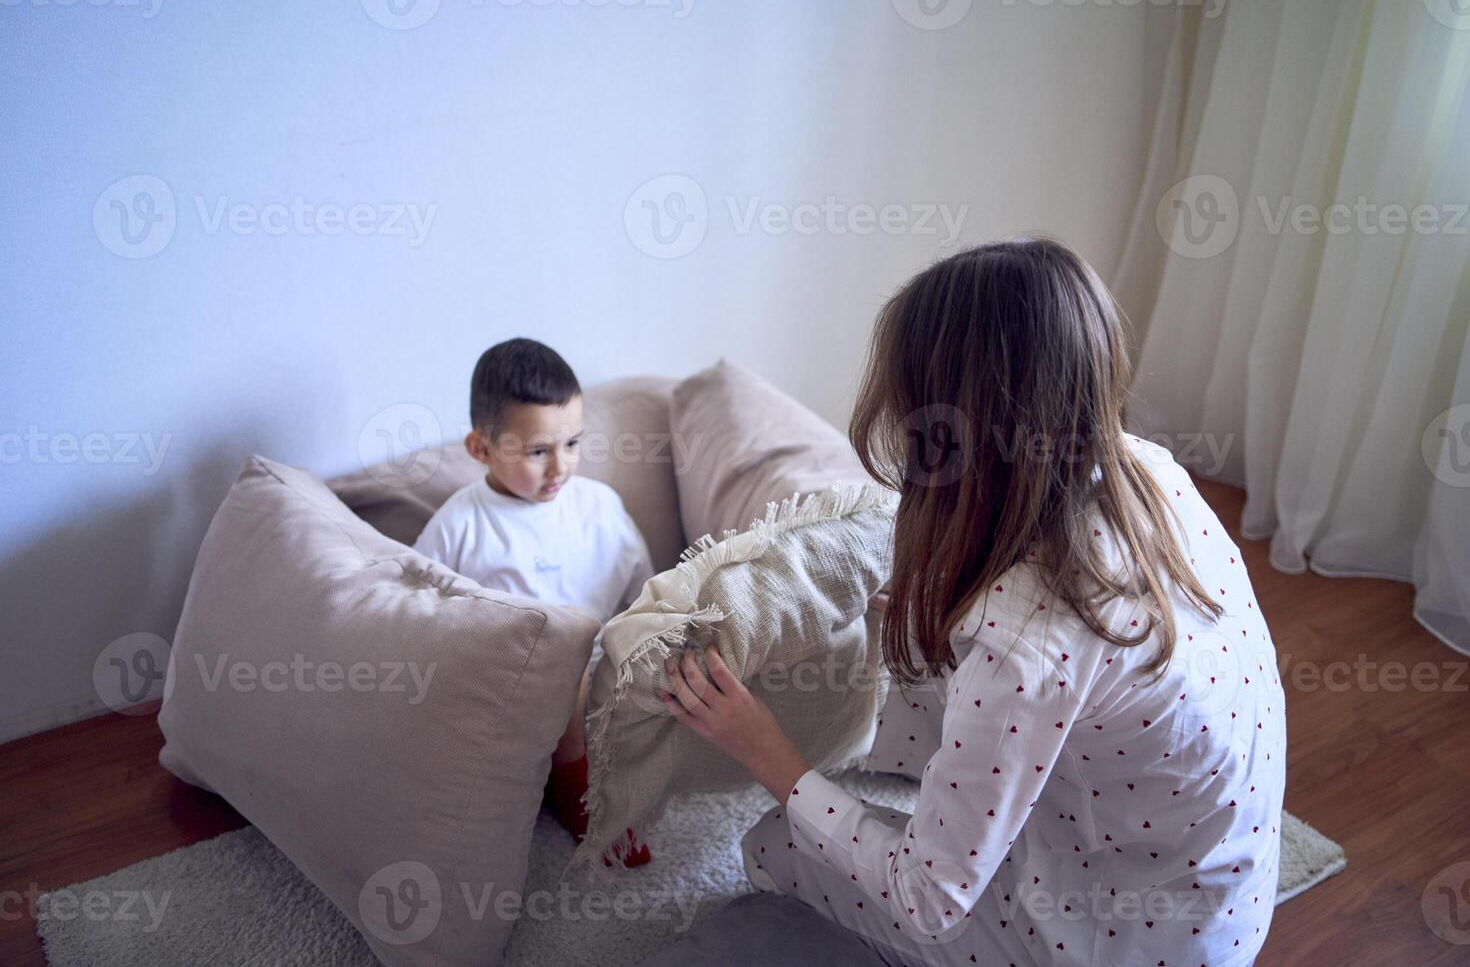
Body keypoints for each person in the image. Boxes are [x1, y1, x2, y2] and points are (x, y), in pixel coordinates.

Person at [659, 237, 1285, 964]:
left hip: (1121, 941)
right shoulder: (1149, 469)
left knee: (774, 843)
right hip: (1219, 898)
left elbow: (927, 900)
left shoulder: (1024, 641)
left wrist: (764, 749)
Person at [415, 337, 654, 866]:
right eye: (538, 451)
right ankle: (579, 795)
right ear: (480, 448)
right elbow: (420, 610)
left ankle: (608, 766)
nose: (560, 467)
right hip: (517, 682)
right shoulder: (461, 523)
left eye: (572, 444)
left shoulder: (598, 507)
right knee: (563, 671)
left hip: (607, 669)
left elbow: (644, 588)